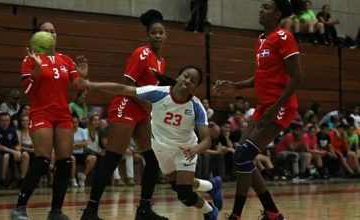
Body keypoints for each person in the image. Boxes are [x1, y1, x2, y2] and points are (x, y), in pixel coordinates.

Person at [81, 65, 222, 220]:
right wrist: (91, 85)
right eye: (186, 76)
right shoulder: (158, 94)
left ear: (195, 87)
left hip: (185, 151)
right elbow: (123, 88)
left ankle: (210, 211)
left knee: (184, 193)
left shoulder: (196, 106)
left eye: (193, 81)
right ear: (178, 76)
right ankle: (212, 185)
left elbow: (207, 139)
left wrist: (196, 149)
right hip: (162, 151)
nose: (188, 81)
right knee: (178, 186)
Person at [213, 0, 303, 219]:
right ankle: (272, 213)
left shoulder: (284, 37)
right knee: (241, 155)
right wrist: (235, 85)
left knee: (244, 155)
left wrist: (275, 109)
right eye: (261, 6)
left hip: (280, 106)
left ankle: (236, 215)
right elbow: (261, 76)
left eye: (267, 7)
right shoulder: (261, 40)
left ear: (278, 14)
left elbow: (297, 77)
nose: (261, 10)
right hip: (264, 106)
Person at [80, 9, 169, 220]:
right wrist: (146, 103)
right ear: (148, 35)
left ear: (166, 35)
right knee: (112, 159)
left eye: (161, 32)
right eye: (153, 32)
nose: (157, 35)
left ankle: (144, 209)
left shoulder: (161, 61)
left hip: (143, 110)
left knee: (153, 160)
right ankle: (90, 211)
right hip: (126, 105)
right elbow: (128, 83)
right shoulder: (141, 53)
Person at [10, 21, 88, 220]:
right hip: (41, 113)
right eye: (45, 31)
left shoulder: (65, 60)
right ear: (38, 36)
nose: (50, 34)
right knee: (42, 160)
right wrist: (36, 68)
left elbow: (79, 88)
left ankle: (55, 211)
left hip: (63, 115)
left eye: (53, 31)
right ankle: (19, 208)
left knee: (64, 163)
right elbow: (27, 90)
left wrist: (83, 77)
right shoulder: (30, 60)